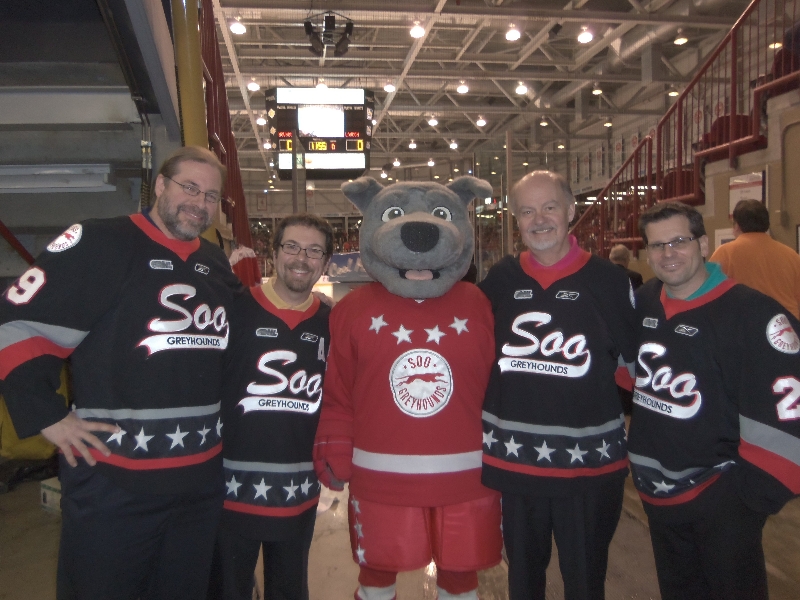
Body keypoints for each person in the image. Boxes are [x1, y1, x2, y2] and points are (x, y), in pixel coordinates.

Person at [0, 146, 243, 600]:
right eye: (189, 187)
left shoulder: (214, 263)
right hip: (115, 483)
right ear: (160, 186)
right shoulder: (99, 242)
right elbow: (15, 323)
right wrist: (47, 415)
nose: (199, 202)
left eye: (211, 195)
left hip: (198, 485)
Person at [479, 171, 638, 600]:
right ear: (517, 220)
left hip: (588, 467)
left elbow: (636, 369)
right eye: (527, 211)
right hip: (516, 464)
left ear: (570, 211)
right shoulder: (499, 281)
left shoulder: (609, 281)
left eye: (549, 207)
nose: (539, 219)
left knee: (585, 580)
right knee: (523, 580)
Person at [628, 202, 800, 600]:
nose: (667, 254)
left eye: (678, 241)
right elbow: (626, 373)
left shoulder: (753, 314)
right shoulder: (646, 301)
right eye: (657, 246)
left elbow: (788, 413)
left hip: (722, 498)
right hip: (658, 496)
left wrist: (747, 500)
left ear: (704, 243)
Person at [208, 214, 333, 600]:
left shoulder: (333, 323)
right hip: (230, 487)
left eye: (314, 251)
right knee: (228, 587)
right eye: (292, 247)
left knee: (290, 587)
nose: (302, 258)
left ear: (326, 263)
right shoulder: (234, 310)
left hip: (299, 489)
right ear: (274, 253)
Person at [708, 199, 800, 318]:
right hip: (785, 328)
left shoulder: (725, 253)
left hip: (746, 326)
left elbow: (708, 294)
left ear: (737, 226)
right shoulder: (791, 255)